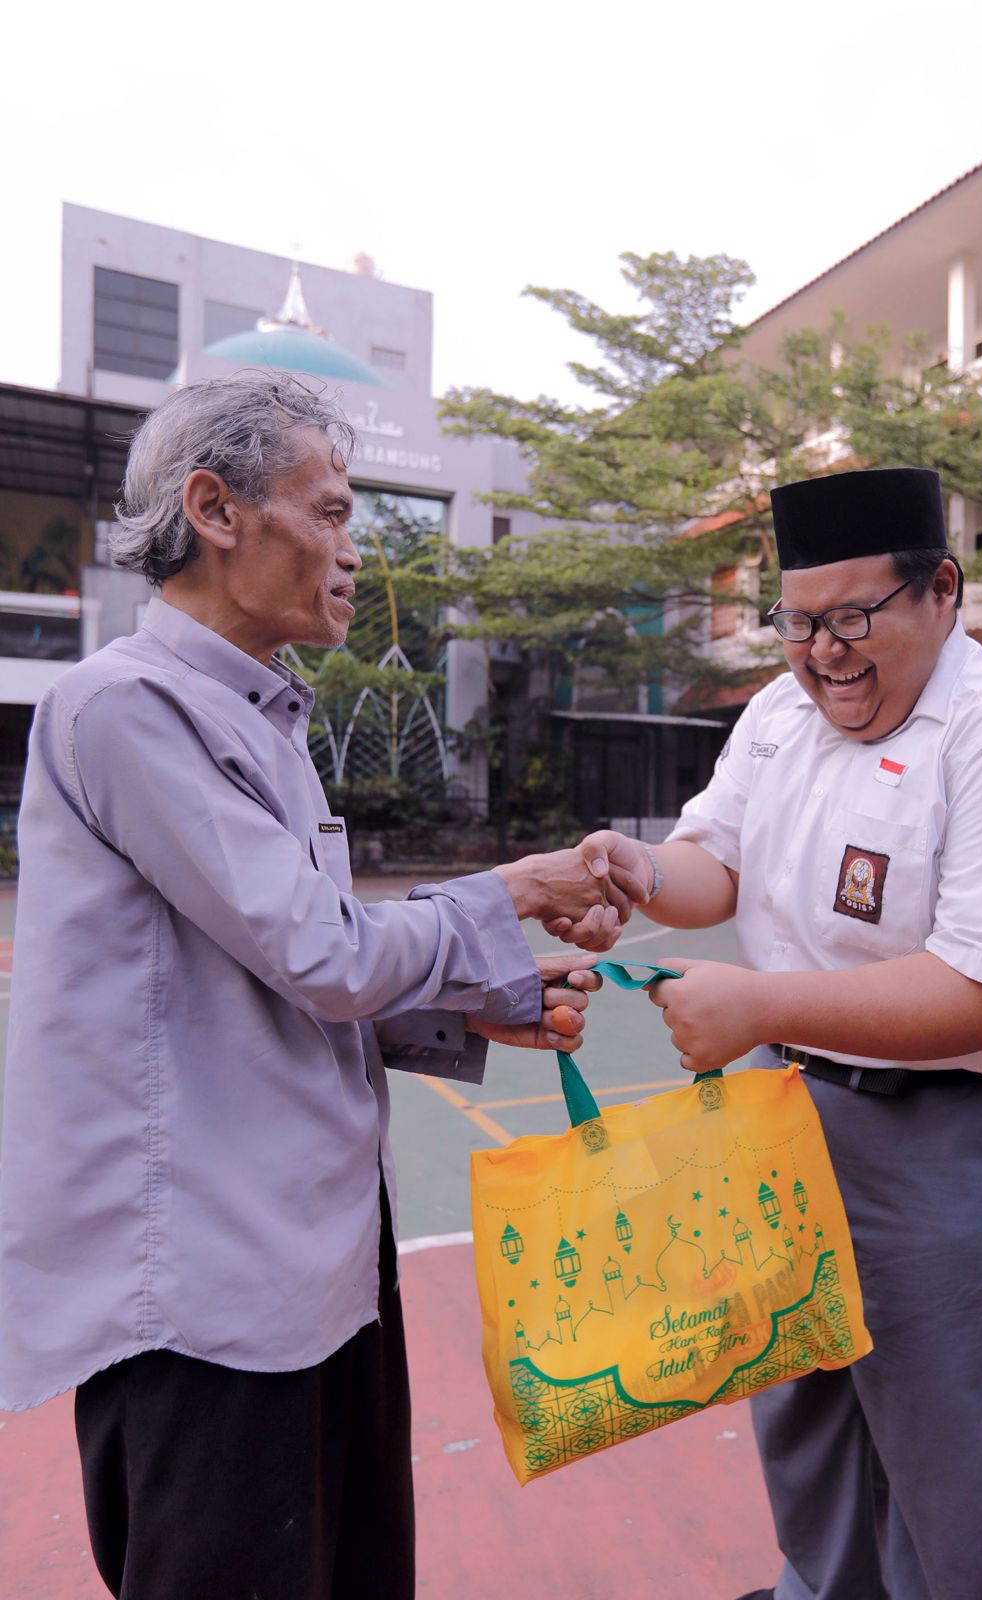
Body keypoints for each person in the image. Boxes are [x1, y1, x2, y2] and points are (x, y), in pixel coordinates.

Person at [0, 373, 642, 1600]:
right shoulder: (126, 708)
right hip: (204, 1295)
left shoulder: (263, 721)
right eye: (334, 514)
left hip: (317, 1267)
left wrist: (478, 998)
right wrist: (505, 893)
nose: (354, 553)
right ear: (216, 509)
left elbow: (290, 972)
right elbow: (323, 955)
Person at [581, 466, 982, 1600]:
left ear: (940, 590)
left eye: (849, 619)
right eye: (795, 621)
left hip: (960, 1137)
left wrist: (758, 1007)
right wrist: (636, 872)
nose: (820, 653)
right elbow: (713, 864)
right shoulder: (781, 714)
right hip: (792, 1113)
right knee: (806, 1414)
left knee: (964, 1457)